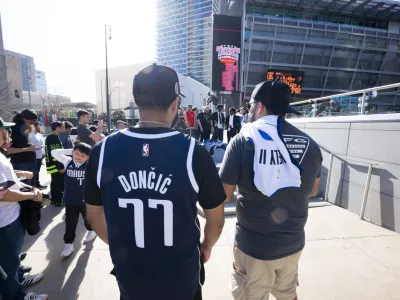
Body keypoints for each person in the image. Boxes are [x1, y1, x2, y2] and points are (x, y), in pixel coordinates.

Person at [84, 63, 226, 300]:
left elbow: (93, 214)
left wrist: (120, 244)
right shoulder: (193, 151)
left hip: (131, 279)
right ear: (175, 103)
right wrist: (206, 246)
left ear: (135, 100)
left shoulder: (102, 151)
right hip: (181, 279)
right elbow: (216, 218)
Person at [219, 80, 322, 300]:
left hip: (254, 248)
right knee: (287, 294)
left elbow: (224, 195)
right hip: (293, 244)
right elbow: (313, 190)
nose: (248, 110)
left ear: (261, 107)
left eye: (251, 105)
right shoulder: (310, 144)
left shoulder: (242, 141)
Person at [0, 117, 48, 300]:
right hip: (4, 223)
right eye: (4, 130)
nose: (8, 133)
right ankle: (18, 296)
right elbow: (5, 193)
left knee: (13, 261)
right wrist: (31, 195)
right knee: (8, 266)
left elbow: (7, 181)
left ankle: (20, 280)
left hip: (10, 218)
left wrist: (19, 177)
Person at [51, 143, 97, 258]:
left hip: (85, 200)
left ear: (87, 156)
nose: (79, 156)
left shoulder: (90, 165)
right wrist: (73, 149)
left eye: (83, 154)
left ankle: (92, 230)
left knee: (88, 220)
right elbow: (54, 152)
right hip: (70, 200)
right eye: (77, 153)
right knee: (70, 223)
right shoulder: (67, 162)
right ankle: (68, 244)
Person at [7, 109, 41, 186]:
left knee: (32, 188)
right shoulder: (13, 129)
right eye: (31, 122)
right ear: (24, 118)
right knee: (24, 189)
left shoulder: (24, 128)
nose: (32, 124)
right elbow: (7, 150)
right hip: (21, 164)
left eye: (34, 123)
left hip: (31, 163)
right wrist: (27, 149)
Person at [45, 121, 64, 206]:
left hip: (53, 165)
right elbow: (55, 154)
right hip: (55, 166)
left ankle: (54, 199)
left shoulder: (52, 137)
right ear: (57, 128)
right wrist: (60, 167)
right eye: (62, 127)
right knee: (58, 184)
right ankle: (58, 200)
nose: (63, 129)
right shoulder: (52, 138)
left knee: (55, 183)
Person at [29, 123, 46, 189]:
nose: (38, 127)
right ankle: (35, 185)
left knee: (38, 171)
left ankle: (37, 184)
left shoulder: (40, 135)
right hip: (34, 157)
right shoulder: (30, 135)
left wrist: (43, 155)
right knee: (35, 172)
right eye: (36, 126)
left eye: (38, 125)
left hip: (40, 156)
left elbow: (43, 145)